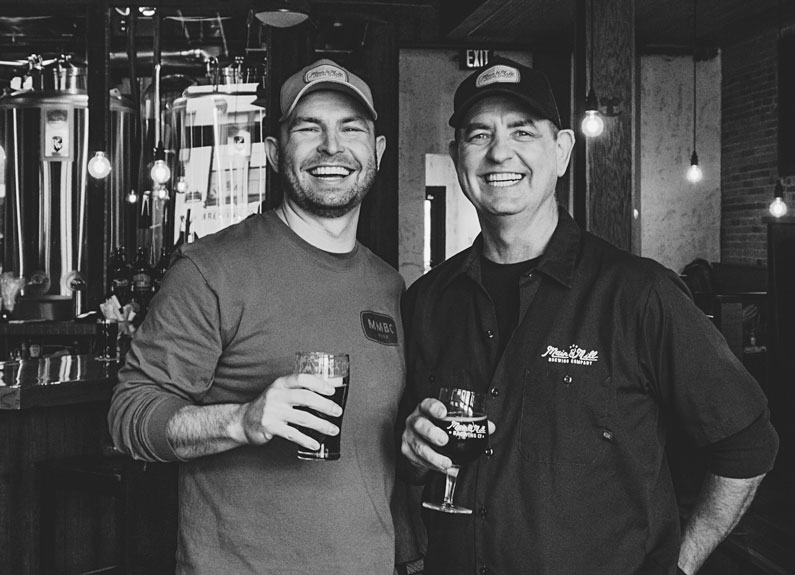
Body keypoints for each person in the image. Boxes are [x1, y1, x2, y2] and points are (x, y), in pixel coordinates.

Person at [399, 57, 778, 575]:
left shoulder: (639, 295)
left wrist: (679, 566)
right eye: (478, 134)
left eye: (522, 131)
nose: (499, 151)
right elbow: (408, 463)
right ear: (456, 156)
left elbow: (748, 443)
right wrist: (415, 460)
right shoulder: (427, 301)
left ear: (561, 152)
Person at [109, 59, 405, 575]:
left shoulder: (391, 287)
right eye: (308, 128)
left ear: (376, 152)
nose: (332, 147)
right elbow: (128, 416)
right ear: (273, 153)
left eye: (350, 128)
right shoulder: (212, 270)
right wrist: (241, 420)